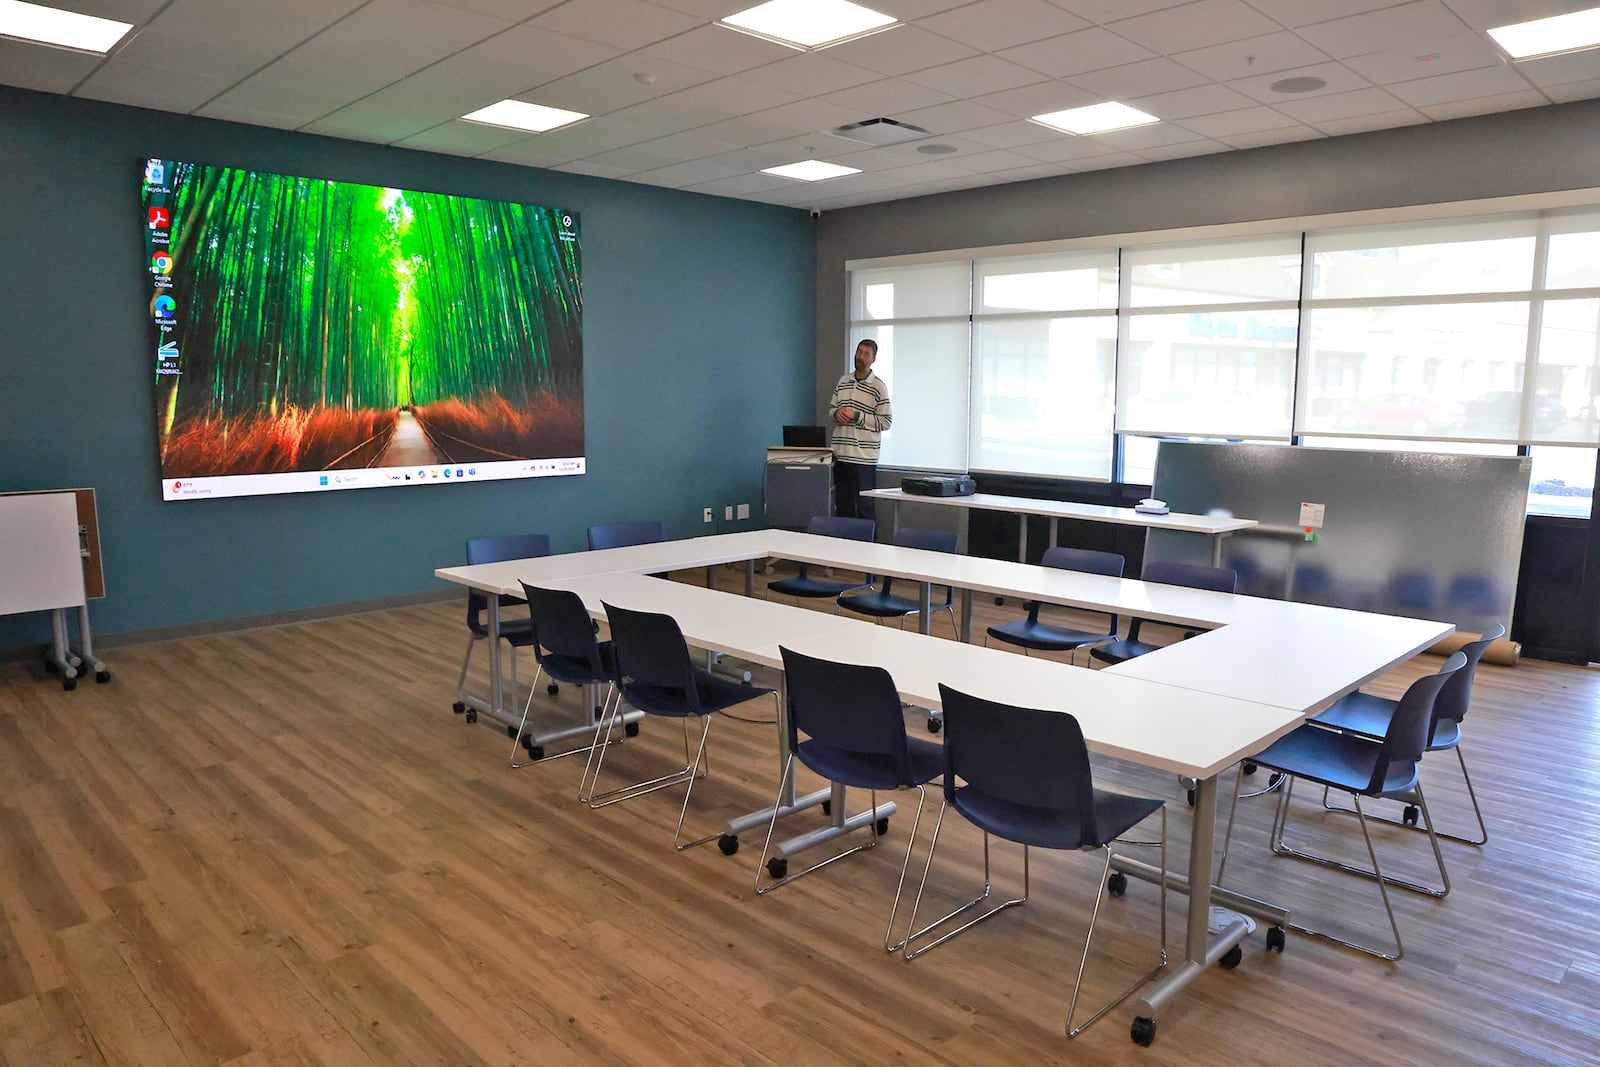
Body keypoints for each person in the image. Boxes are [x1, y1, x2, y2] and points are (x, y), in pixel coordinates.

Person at [829, 339, 892, 521]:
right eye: (858, 352)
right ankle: (843, 548)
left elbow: (886, 421)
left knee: (865, 509)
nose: (860, 357)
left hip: (864, 459)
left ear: (873, 359)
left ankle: (869, 548)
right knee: (843, 507)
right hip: (841, 455)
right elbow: (832, 409)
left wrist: (857, 416)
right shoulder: (843, 381)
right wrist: (837, 413)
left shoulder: (878, 387)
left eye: (866, 354)